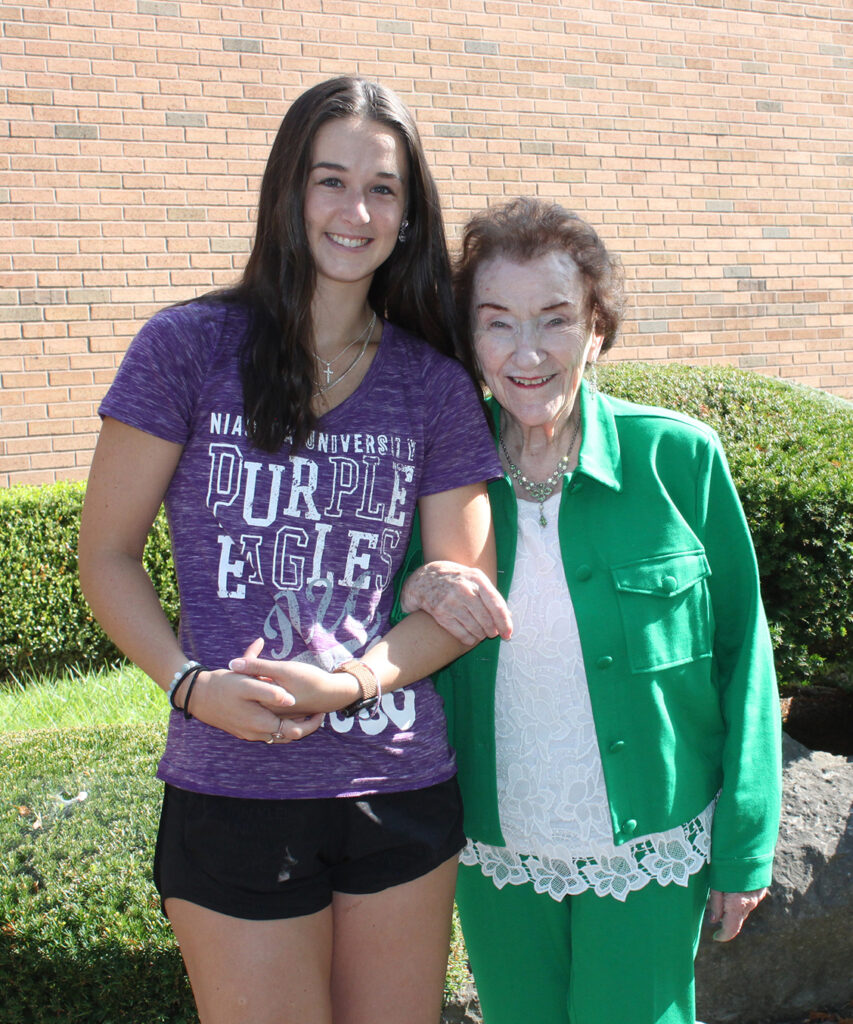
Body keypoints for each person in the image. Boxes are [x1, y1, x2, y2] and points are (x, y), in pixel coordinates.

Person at [78, 76, 502, 1024]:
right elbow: (104, 556)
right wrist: (190, 685)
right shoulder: (184, 349)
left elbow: (462, 597)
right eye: (330, 180)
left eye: (384, 188)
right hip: (231, 787)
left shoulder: (432, 385)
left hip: (397, 785)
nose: (356, 211)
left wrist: (351, 682)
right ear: (287, 192)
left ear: (408, 213)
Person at [399, 197, 783, 1024]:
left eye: (555, 320)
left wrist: (743, 844)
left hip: (649, 845)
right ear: (470, 338)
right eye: (497, 323)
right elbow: (375, 616)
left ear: (597, 330)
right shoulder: (439, 473)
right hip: (495, 843)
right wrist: (413, 587)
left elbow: (743, 653)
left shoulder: (676, 458)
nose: (526, 352)